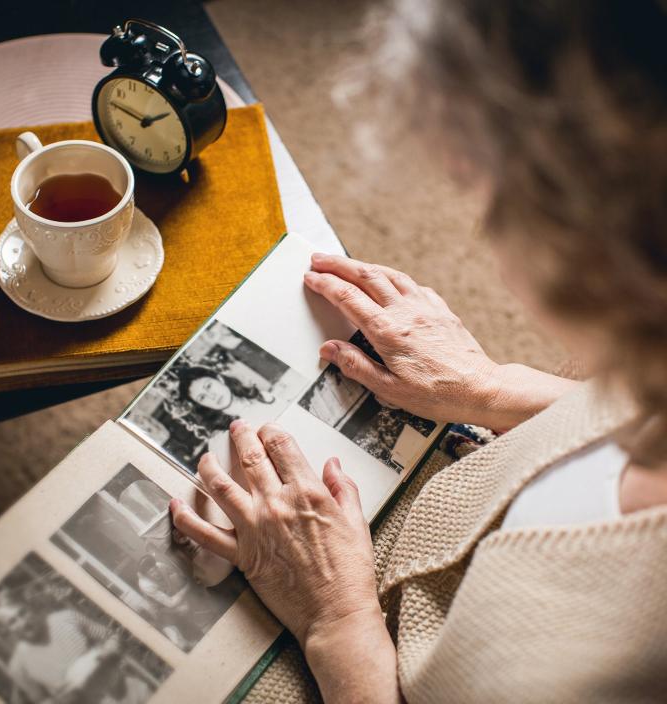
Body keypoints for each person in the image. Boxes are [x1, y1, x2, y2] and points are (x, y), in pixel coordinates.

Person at [170, 1, 667, 701]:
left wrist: (338, 623)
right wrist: (491, 389)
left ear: (595, 239)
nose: (488, 243)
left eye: (488, 193)